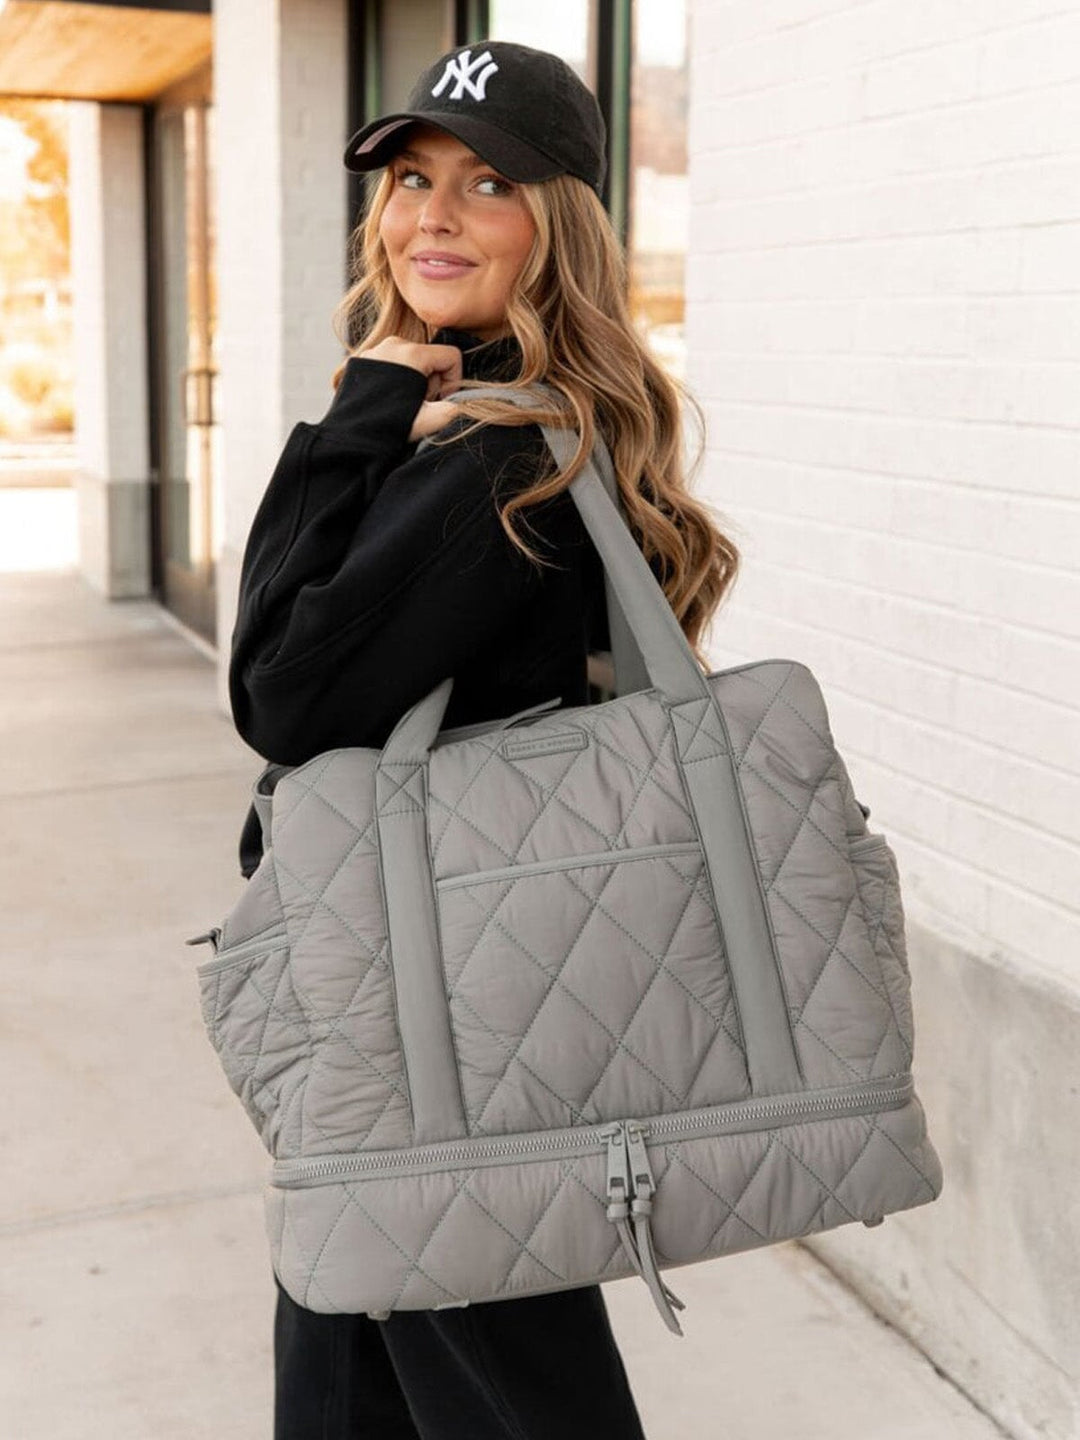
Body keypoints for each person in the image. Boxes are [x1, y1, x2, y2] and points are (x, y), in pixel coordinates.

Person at [228, 38, 740, 1440]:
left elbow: (273, 683)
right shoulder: (501, 426)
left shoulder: (499, 461)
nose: (430, 216)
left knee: (495, 1379)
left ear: (555, 225)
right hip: (456, 989)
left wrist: (359, 414)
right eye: (409, 179)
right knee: (358, 1357)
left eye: (486, 183)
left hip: (442, 1016)